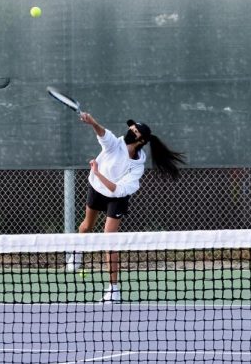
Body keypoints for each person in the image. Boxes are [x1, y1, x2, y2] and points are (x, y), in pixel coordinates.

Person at [65, 110, 185, 303]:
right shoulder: (116, 143)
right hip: (96, 188)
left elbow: (115, 190)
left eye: (135, 130)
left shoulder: (137, 167)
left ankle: (113, 289)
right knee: (86, 226)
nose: (131, 129)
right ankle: (77, 252)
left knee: (110, 241)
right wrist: (92, 121)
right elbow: (103, 134)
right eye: (132, 126)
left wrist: (97, 171)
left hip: (116, 196)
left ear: (142, 140)